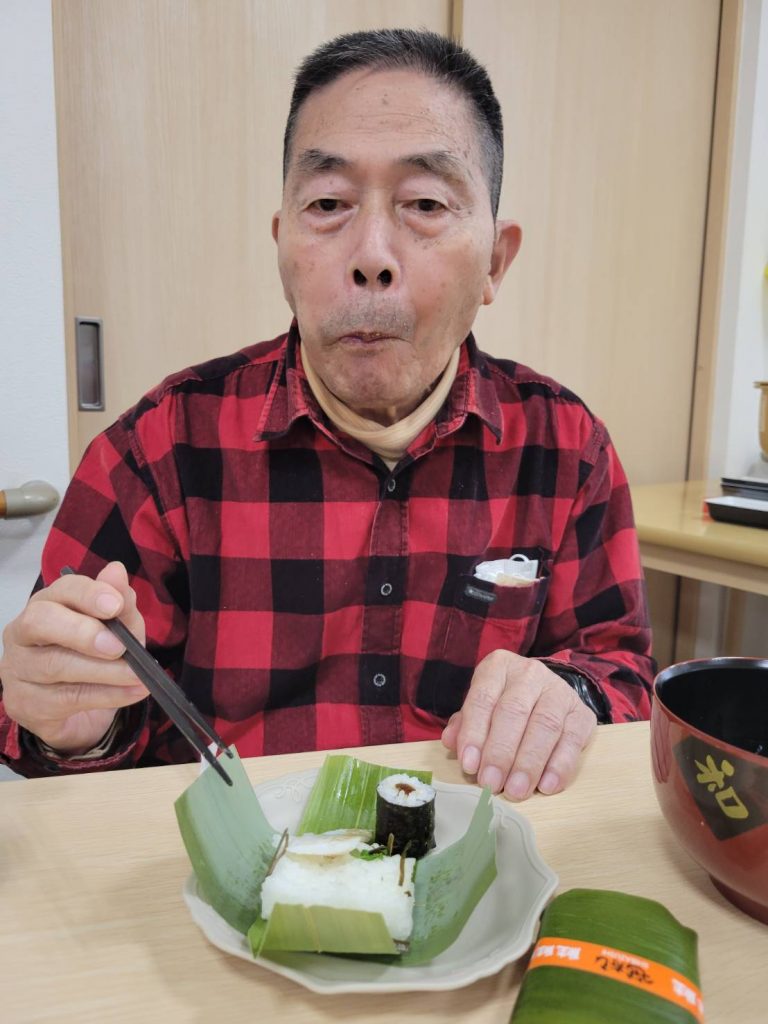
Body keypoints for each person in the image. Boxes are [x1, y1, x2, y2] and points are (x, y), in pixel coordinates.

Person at [0, 29, 654, 797]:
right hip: (235, 866)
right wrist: (73, 722)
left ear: (495, 261)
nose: (371, 254)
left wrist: (569, 694)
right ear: (283, 246)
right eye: (328, 204)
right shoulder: (158, 449)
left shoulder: (566, 447)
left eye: (425, 204)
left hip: (473, 860)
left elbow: (623, 671)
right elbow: (53, 736)